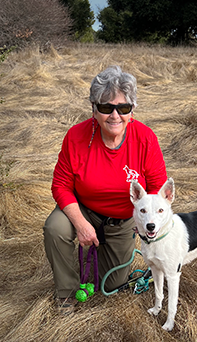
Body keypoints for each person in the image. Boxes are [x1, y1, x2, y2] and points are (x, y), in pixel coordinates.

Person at [43, 65, 167, 314]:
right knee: (55, 228)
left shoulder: (145, 138)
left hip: (124, 220)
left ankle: (92, 263)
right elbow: (61, 185)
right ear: (94, 109)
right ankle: (66, 294)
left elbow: (156, 189)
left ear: (131, 111)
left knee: (112, 284)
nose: (114, 115)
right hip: (82, 209)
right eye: (105, 107)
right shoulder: (75, 137)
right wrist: (80, 224)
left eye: (123, 108)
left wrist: (143, 220)